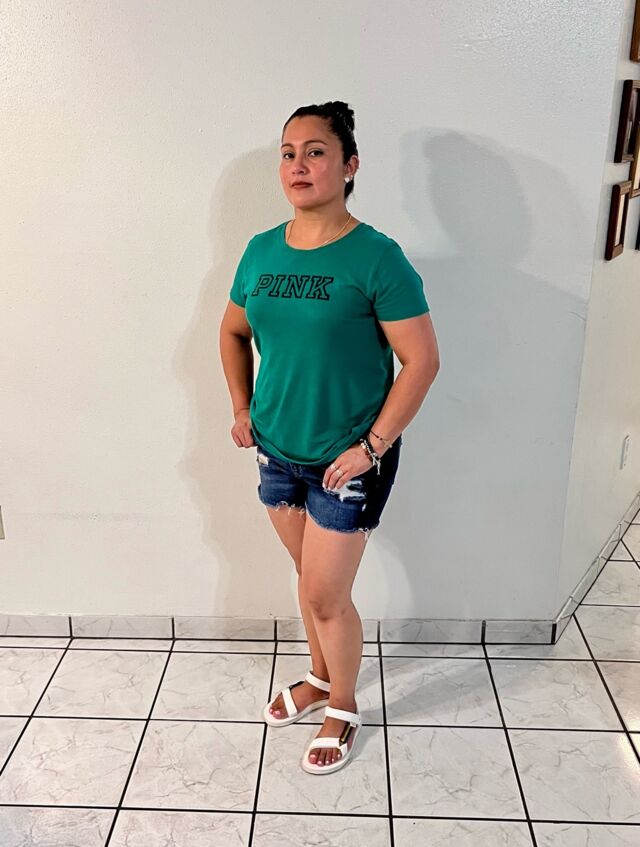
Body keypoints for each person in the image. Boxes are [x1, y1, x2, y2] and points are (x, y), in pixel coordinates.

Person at [219, 100, 440, 775]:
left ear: (349, 166)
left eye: (315, 151)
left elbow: (422, 361)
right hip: (276, 450)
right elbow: (233, 331)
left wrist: (372, 447)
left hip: (348, 459)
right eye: (288, 153)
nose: (298, 165)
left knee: (323, 594)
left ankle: (342, 703)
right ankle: (319, 675)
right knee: (310, 580)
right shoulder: (260, 250)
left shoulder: (377, 257)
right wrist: (242, 406)